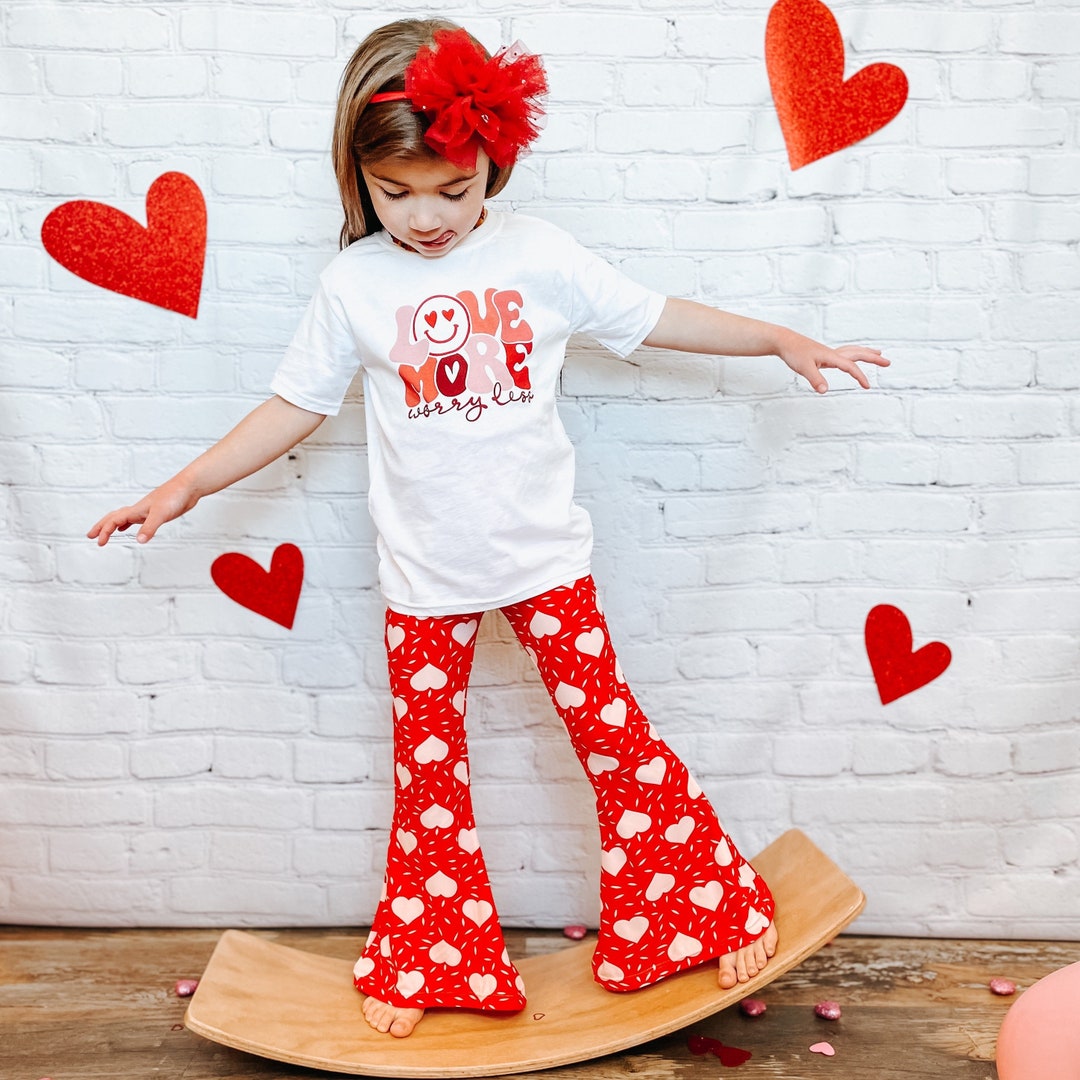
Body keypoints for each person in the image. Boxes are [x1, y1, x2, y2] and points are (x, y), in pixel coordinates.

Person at [88, 18, 888, 1040]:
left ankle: (695, 908)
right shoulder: (354, 285)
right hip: (423, 576)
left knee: (615, 739)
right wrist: (185, 485)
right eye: (396, 192)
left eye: (453, 190)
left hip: (543, 559)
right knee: (428, 770)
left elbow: (652, 315)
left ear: (492, 166)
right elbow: (293, 404)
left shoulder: (539, 255)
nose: (426, 217)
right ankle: (431, 960)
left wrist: (777, 338)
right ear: (360, 177)